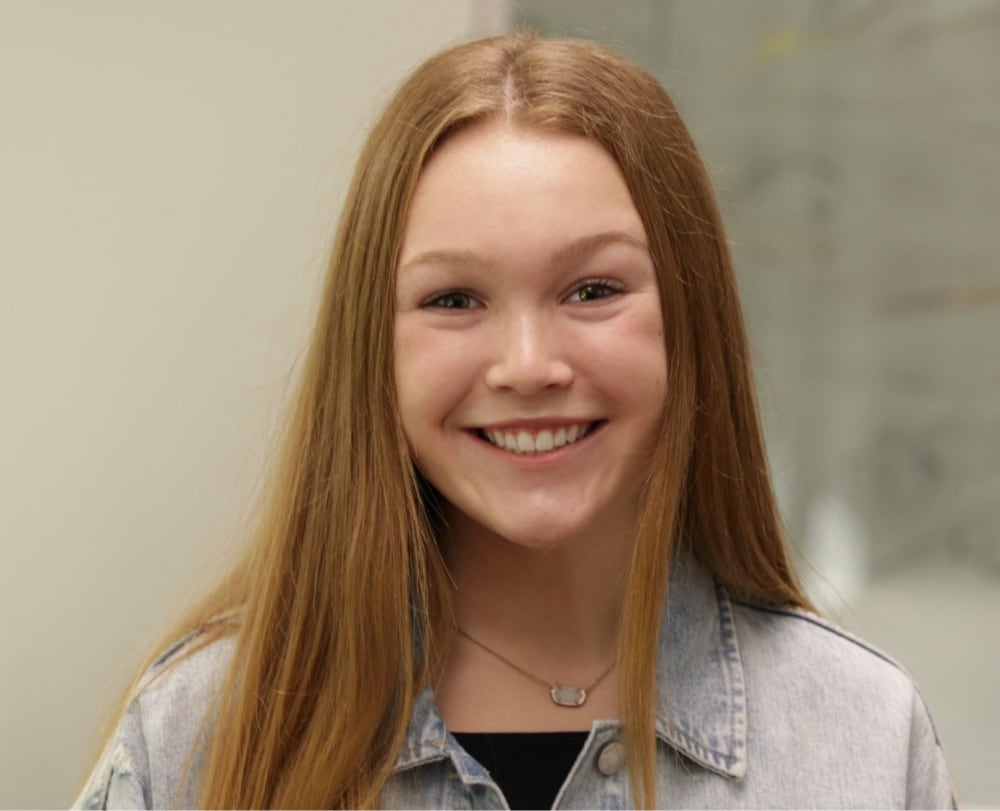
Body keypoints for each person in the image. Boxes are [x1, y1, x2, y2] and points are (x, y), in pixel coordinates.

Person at [73, 33, 955, 810]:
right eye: (453, 298)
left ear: (692, 320)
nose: (528, 364)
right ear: (371, 346)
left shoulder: (867, 736)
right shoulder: (195, 735)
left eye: (592, 290)